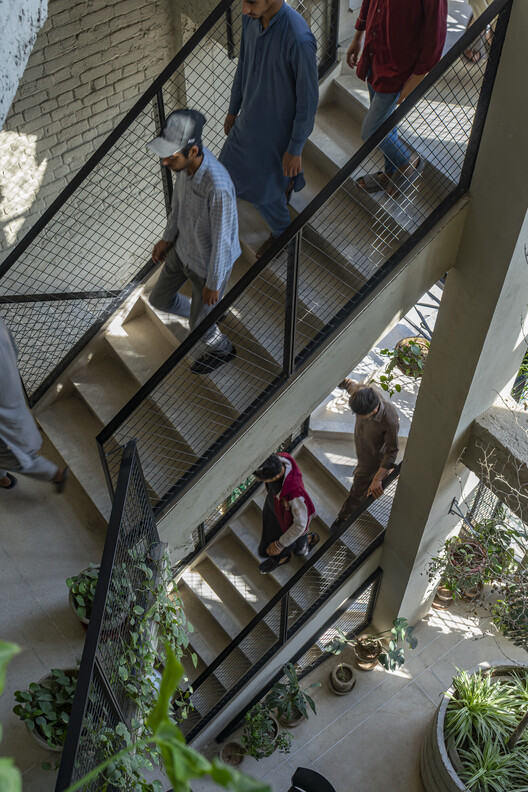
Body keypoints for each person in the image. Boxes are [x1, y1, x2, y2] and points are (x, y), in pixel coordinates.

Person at [219, 0, 319, 258]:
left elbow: (308, 103)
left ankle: (283, 233)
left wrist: (295, 148)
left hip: (275, 135)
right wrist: (233, 108)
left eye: (251, 1)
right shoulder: (251, 18)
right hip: (247, 123)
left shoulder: (298, 38)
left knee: (264, 194)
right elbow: (243, 66)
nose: (243, 8)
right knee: (222, 175)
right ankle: (283, 183)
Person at [147, 108, 241, 375]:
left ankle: (223, 347)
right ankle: (205, 317)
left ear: (194, 152)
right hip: (183, 250)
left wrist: (212, 284)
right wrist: (166, 239)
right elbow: (177, 206)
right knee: (159, 299)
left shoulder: (218, 186)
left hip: (206, 266)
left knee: (198, 327)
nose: (165, 162)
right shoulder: (183, 167)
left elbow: (223, 241)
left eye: (171, 156)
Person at [348, 0, 447, 196]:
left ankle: (406, 161)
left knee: (371, 131)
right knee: (385, 124)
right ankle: (390, 172)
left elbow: (435, 33)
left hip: (397, 70)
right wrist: (358, 35)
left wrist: (417, 79)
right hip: (374, 55)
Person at [0, 317, 68, 492]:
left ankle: (54, 474)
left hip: (5, 416)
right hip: (12, 399)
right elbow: (14, 351)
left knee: (13, 457)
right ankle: (2, 478)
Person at [331, 380, 399, 532]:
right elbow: (348, 384)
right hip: (361, 448)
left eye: (361, 415)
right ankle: (388, 470)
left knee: (357, 491)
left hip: (372, 459)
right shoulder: (361, 393)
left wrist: (377, 479)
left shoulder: (389, 418)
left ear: (374, 411)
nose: (358, 417)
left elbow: (392, 450)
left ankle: (343, 518)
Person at [253, 452, 319, 574]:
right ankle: (283, 557)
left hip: (292, 520)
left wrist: (279, 545)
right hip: (277, 509)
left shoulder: (295, 495)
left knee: (299, 547)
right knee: (278, 535)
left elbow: (300, 525)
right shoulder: (280, 459)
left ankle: (310, 540)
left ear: (273, 478)